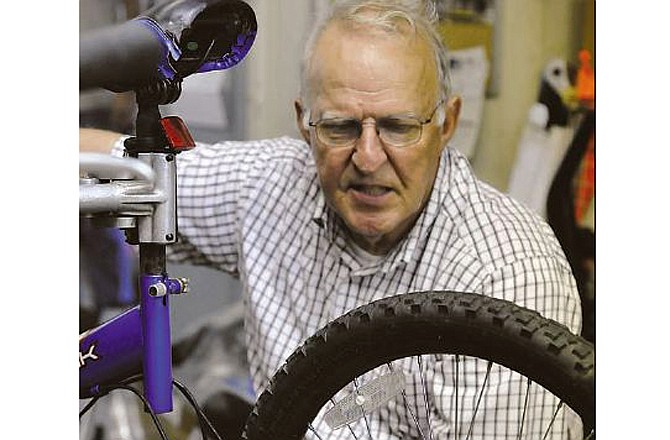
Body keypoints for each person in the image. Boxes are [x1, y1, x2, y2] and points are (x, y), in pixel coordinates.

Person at [81, 1, 583, 438]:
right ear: (305, 123)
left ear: (446, 123)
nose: (367, 157)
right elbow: (124, 170)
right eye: (340, 127)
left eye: (397, 126)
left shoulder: (508, 275)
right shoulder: (270, 186)